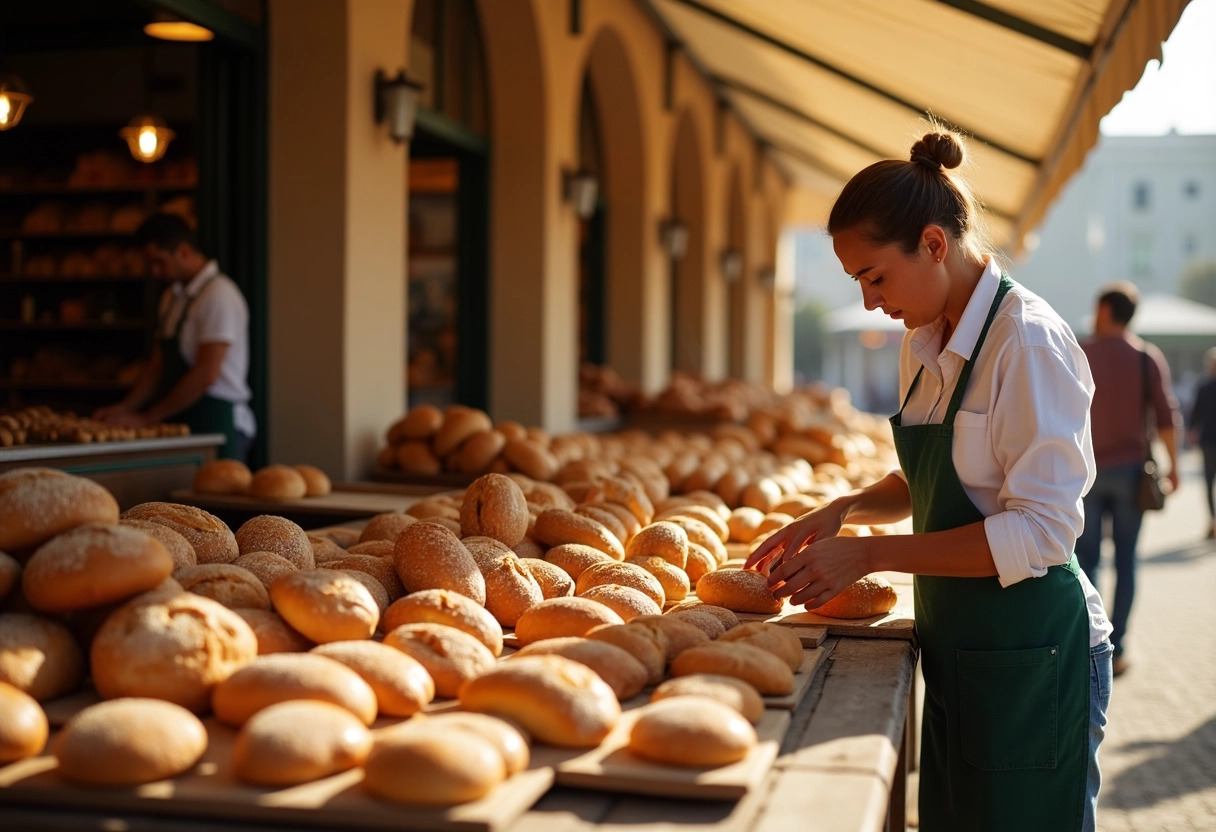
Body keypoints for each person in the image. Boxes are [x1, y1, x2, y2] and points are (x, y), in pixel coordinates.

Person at [746, 130, 1113, 832]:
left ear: (935, 245)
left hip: (1033, 657)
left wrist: (873, 554)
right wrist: (847, 510)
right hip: (967, 651)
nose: (868, 302)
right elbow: (938, 476)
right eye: (858, 283)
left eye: (875, 277)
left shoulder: (1026, 344)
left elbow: (1042, 532)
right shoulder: (926, 338)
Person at [1076, 282, 1181, 678]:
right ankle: (1118, 650)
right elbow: (1167, 416)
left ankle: (1089, 644)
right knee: (1127, 561)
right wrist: (1174, 467)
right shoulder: (1145, 357)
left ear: (1105, 310)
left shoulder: (1081, 353)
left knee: (1086, 563)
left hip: (1085, 475)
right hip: (1132, 473)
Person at [94, 212, 255, 461]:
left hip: (219, 424)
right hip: (184, 417)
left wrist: (148, 418)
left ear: (183, 251)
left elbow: (206, 374)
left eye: (159, 262)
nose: (156, 272)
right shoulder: (171, 298)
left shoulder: (219, 295)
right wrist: (126, 407)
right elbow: (158, 364)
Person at [1187, 346, 1216, 539]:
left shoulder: (1203, 386)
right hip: (1208, 441)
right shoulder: (1203, 386)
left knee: (1209, 482)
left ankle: (1213, 521)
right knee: (1208, 482)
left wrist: (1190, 433)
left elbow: (1194, 415)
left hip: (1208, 441)